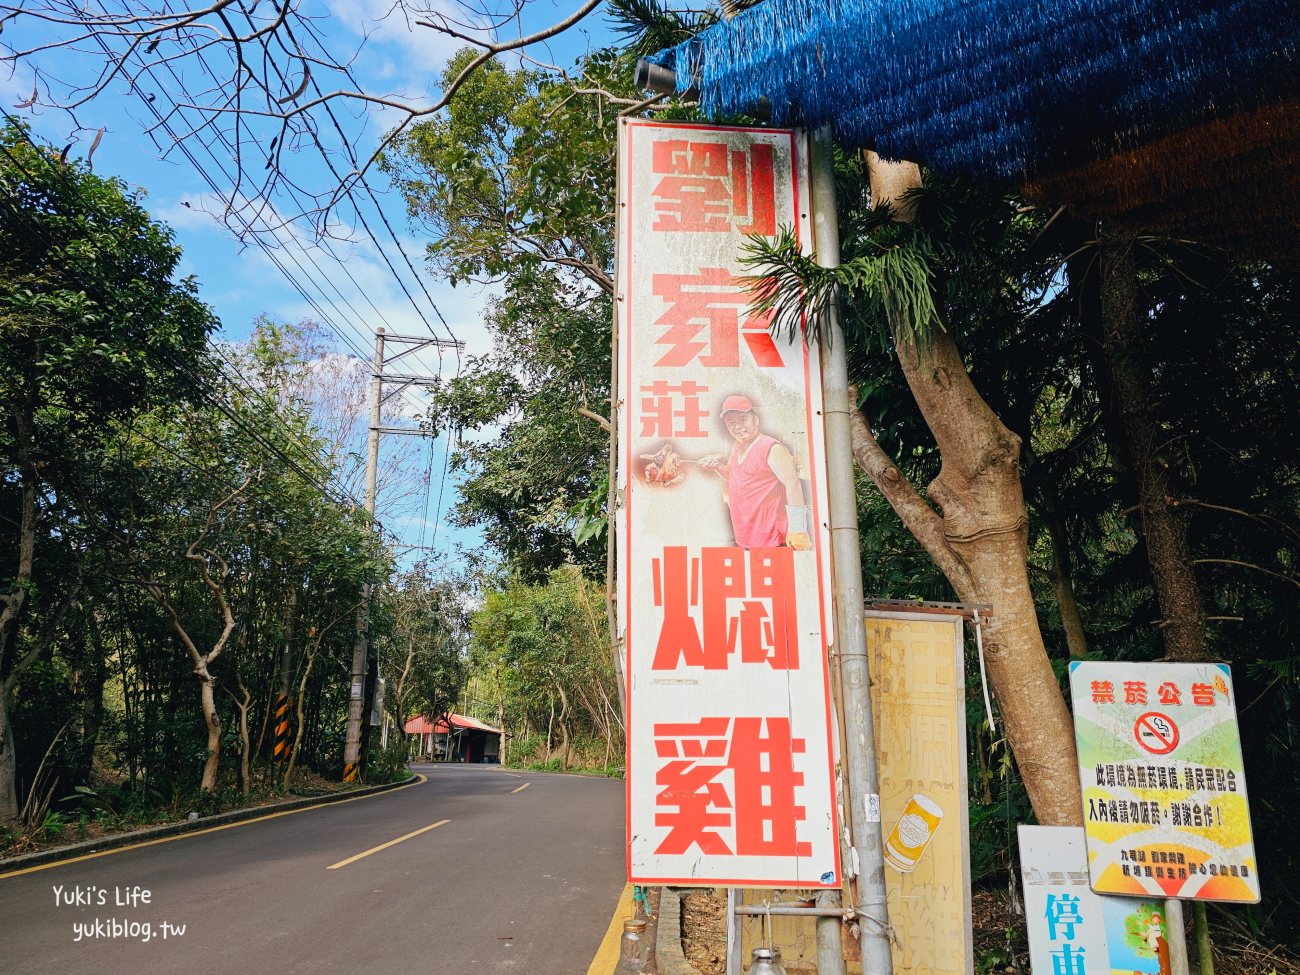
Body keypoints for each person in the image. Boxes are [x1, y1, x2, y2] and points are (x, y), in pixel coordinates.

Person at [698, 395, 812, 550]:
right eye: (731, 423)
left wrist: (798, 529)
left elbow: (793, 484)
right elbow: (734, 476)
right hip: (746, 538)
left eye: (743, 419)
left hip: (772, 541)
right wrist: (716, 466)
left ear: (756, 420)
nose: (737, 426)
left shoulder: (771, 448)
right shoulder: (737, 446)